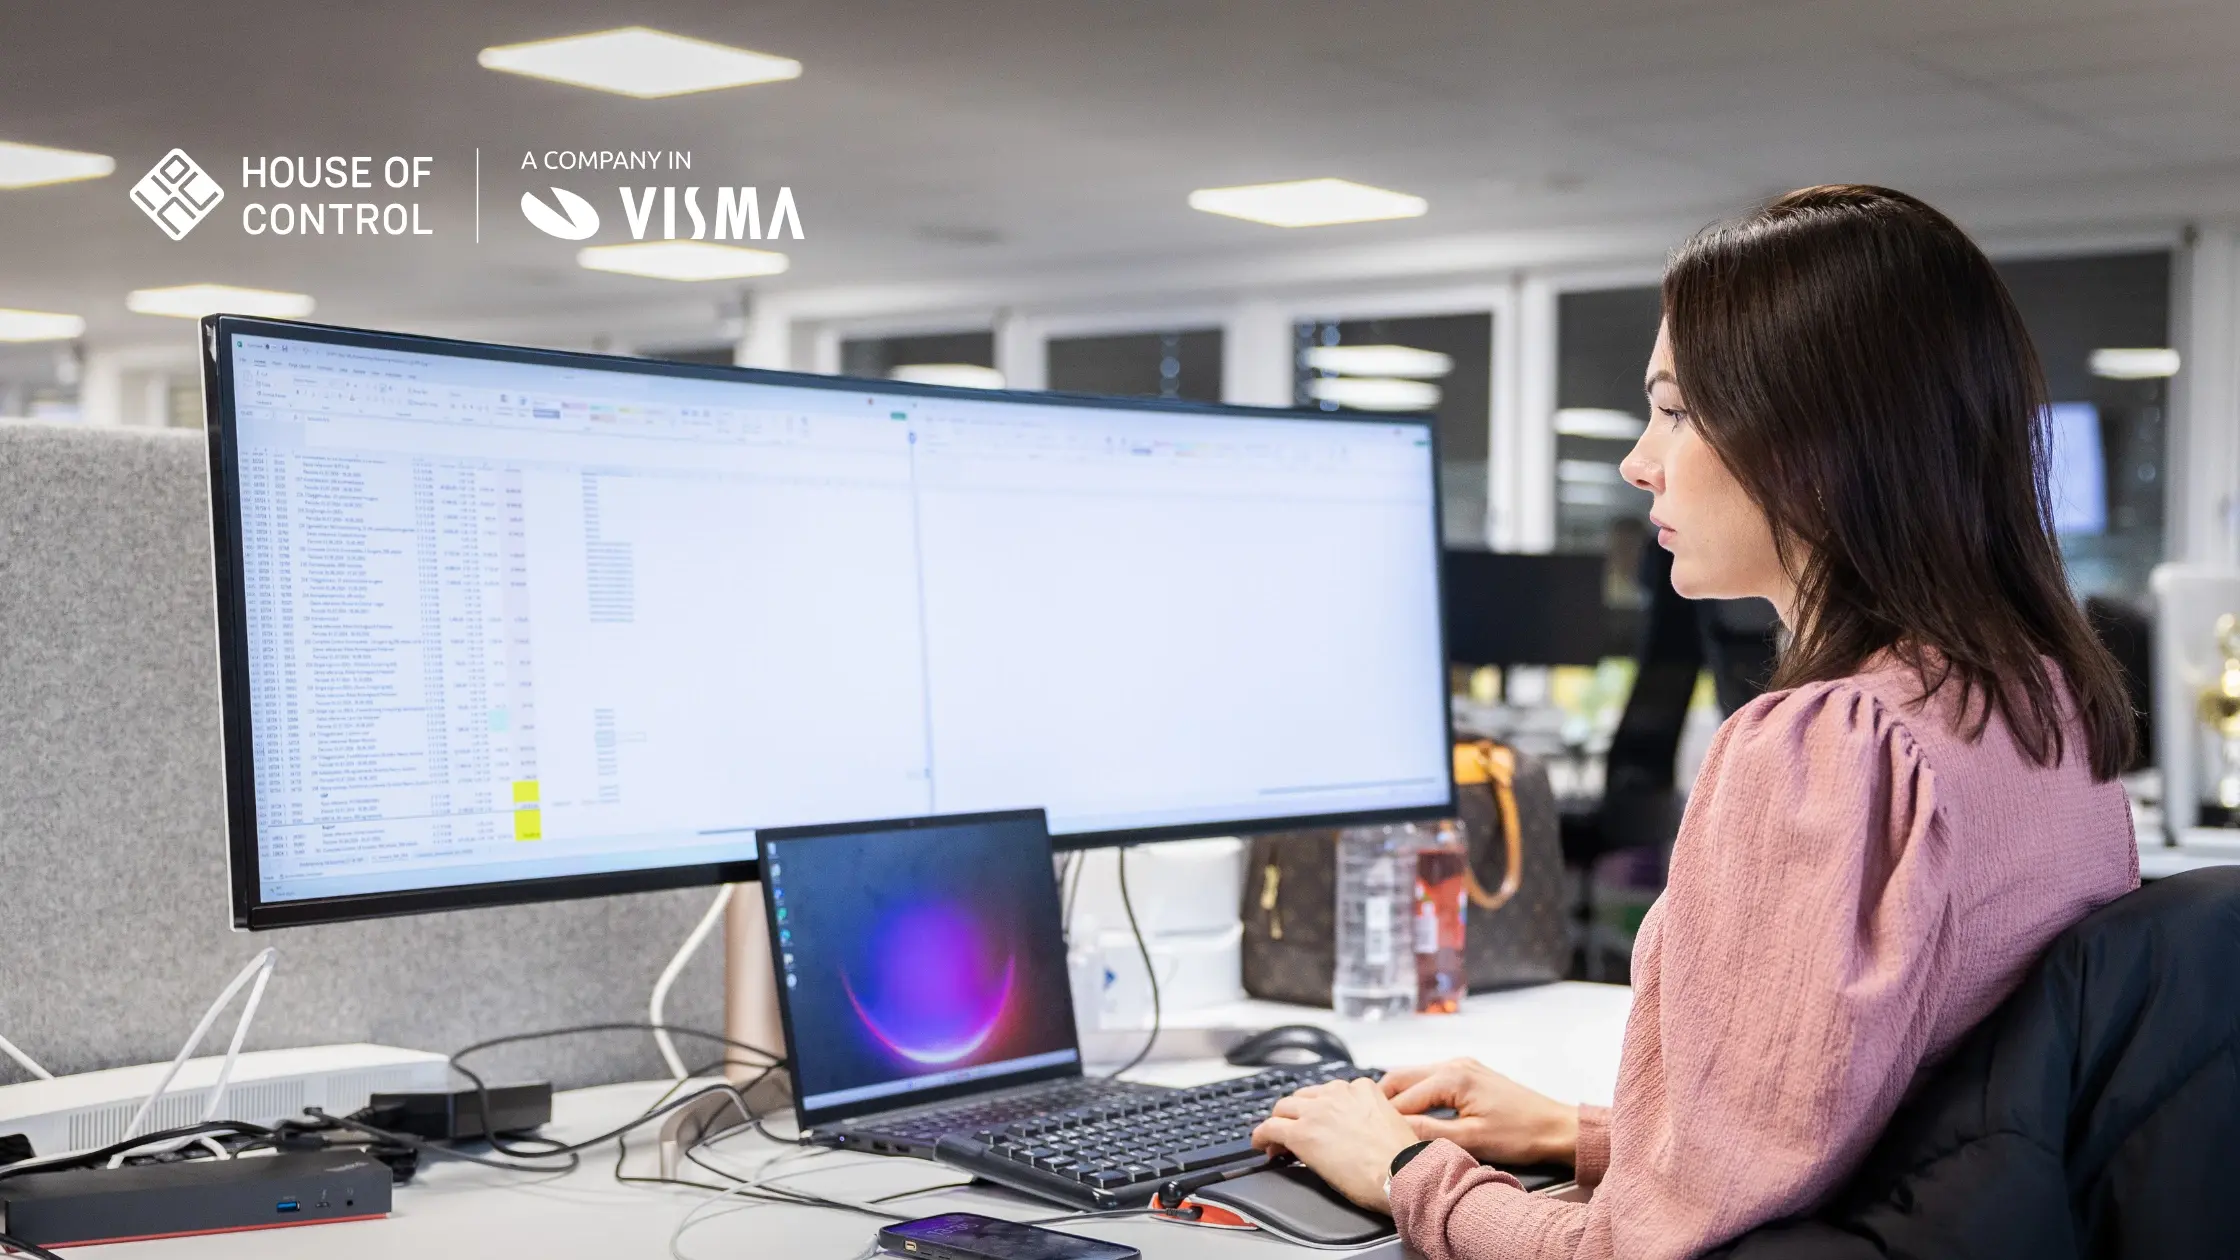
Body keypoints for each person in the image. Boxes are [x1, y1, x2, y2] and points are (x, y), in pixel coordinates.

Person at [1251, 184, 2140, 1259]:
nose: (1639, 461)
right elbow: (1903, 1137)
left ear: (1814, 439)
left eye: (1674, 410)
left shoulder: (1828, 747)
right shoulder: (2035, 702)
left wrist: (1403, 1172)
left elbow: (1634, 1257)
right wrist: (1579, 1134)